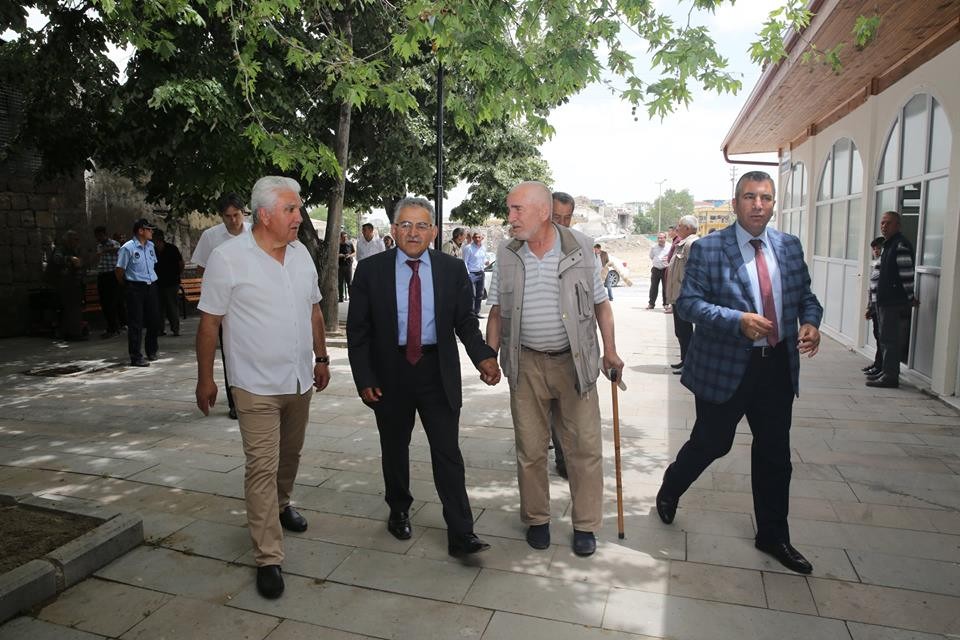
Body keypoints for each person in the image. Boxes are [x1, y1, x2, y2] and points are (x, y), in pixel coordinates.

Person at [655, 171, 823, 575]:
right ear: (735, 203)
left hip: (777, 367)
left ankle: (773, 535)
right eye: (749, 197)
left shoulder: (788, 246)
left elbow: (806, 297)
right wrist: (737, 320)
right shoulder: (710, 249)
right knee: (712, 443)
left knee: (775, 454)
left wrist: (812, 323)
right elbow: (688, 304)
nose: (758, 204)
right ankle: (672, 484)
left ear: (774, 203)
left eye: (765, 197)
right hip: (726, 368)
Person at [196, 176, 331, 600]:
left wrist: (322, 358)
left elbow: (313, 312)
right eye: (291, 210)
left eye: (299, 208)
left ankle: (283, 502)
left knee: (288, 457)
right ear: (265, 214)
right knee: (261, 465)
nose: (299, 217)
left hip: (298, 379)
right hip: (253, 384)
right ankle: (268, 557)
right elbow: (209, 323)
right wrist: (205, 377)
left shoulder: (302, 255)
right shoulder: (228, 257)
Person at [347, 197, 498, 558]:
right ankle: (398, 509)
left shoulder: (450, 269)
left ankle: (462, 532)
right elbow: (359, 331)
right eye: (405, 225)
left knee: (447, 451)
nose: (413, 233)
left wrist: (484, 358)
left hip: (437, 372)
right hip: (390, 372)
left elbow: (465, 322)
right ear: (393, 229)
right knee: (394, 448)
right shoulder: (370, 271)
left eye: (421, 226)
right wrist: (364, 376)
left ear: (433, 231)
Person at [486, 181, 624, 558]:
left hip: (573, 362)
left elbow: (601, 305)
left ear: (543, 212)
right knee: (530, 449)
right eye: (510, 209)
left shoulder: (579, 246)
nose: (510, 217)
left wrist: (609, 351)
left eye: (517, 209)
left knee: (584, 447)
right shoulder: (507, 251)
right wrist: (489, 355)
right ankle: (537, 519)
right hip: (525, 365)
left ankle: (585, 525)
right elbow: (497, 310)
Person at [193, 193, 252, 420]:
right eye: (227, 216)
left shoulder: (255, 233)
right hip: (224, 306)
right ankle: (235, 401)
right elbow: (200, 268)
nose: (232, 220)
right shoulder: (211, 236)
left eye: (236, 215)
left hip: (249, 303)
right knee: (230, 352)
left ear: (243, 212)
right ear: (221, 216)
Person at [867, 211, 918, 389]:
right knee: (884, 338)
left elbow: (907, 274)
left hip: (893, 302)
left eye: (888, 223)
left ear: (898, 225)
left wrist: (910, 297)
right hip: (884, 301)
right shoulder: (888, 245)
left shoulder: (900, 245)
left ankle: (890, 376)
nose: (884, 226)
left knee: (890, 339)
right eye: (882, 223)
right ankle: (885, 370)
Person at [116, 219, 161, 366]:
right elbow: (119, 271)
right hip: (135, 287)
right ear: (141, 231)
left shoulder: (151, 246)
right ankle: (136, 356)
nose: (151, 232)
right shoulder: (127, 248)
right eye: (149, 229)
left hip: (151, 285)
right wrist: (127, 285)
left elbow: (152, 264)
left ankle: (152, 350)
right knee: (136, 322)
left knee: (154, 320)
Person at [664, 216, 699, 374]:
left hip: (683, 296)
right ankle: (684, 360)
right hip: (677, 296)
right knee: (681, 331)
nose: (677, 229)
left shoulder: (691, 244)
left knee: (686, 332)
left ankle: (689, 364)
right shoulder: (683, 243)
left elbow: (694, 272)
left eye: (679, 226)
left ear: (688, 228)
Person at [47, 230, 86, 340]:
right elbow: (57, 259)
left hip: (73, 284)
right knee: (70, 310)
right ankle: (72, 333)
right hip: (64, 284)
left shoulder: (73, 250)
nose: (77, 242)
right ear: (68, 240)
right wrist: (69, 259)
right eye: (75, 239)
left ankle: (74, 332)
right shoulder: (61, 249)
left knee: (74, 309)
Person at [153, 229, 184, 337]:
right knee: (158, 307)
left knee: (172, 307)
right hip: (157, 283)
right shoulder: (152, 250)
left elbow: (181, 263)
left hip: (171, 282)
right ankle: (160, 329)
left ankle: (175, 329)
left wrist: (176, 275)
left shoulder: (172, 249)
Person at [93, 226, 122, 338]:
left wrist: (106, 250)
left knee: (112, 302)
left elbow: (119, 251)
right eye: (97, 236)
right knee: (104, 303)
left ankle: (114, 328)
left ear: (105, 234)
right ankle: (111, 327)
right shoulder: (99, 246)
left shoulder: (113, 243)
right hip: (102, 275)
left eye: (100, 235)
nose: (98, 238)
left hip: (112, 275)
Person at [863, 237, 885, 376]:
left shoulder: (885, 262)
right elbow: (872, 288)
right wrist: (869, 307)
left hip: (882, 305)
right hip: (875, 305)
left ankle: (881, 366)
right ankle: (877, 364)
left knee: (882, 337)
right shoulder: (878, 263)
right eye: (874, 249)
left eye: (878, 248)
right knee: (877, 335)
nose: (876, 251)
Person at [461, 230, 489, 318]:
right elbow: (464, 262)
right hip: (472, 273)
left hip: (480, 272)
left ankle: (477, 312)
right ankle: (471, 313)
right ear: (472, 238)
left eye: (479, 237)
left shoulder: (483, 248)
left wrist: (486, 262)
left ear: (482, 238)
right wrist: (468, 274)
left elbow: (483, 259)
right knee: (472, 294)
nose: (477, 239)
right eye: (475, 237)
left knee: (480, 294)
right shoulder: (468, 248)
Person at [648, 232, 670, 309]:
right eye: (658, 238)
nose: (660, 239)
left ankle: (666, 304)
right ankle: (651, 303)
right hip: (656, 269)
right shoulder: (654, 247)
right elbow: (651, 256)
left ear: (665, 238)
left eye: (661, 238)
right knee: (653, 287)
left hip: (665, 270)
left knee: (665, 288)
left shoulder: (669, 246)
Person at [338, 231, 355, 302]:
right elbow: (334, 254)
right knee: (340, 282)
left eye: (346, 237)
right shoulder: (337, 244)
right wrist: (340, 255)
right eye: (343, 237)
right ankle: (341, 297)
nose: (345, 238)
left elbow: (354, 252)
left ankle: (351, 297)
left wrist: (349, 255)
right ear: (340, 238)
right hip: (340, 266)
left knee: (349, 282)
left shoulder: (350, 243)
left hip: (348, 265)